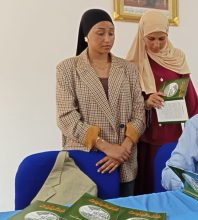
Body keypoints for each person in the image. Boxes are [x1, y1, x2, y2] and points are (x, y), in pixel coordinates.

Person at [56, 9, 145, 197]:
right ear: (86, 35)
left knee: (125, 211)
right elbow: (66, 117)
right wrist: (106, 146)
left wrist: (123, 149)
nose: (107, 39)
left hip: (125, 160)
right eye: (100, 33)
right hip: (86, 157)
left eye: (111, 33)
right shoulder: (67, 69)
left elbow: (139, 111)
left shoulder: (128, 69)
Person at [126, 10, 198, 195]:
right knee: (146, 184)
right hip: (145, 134)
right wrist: (145, 100)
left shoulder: (177, 58)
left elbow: (190, 96)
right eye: (151, 39)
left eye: (162, 38)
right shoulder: (133, 62)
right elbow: (124, 99)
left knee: (171, 181)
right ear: (142, 34)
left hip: (172, 133)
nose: (157, 44)